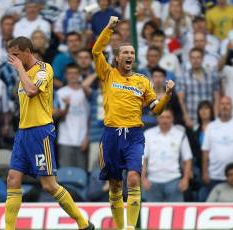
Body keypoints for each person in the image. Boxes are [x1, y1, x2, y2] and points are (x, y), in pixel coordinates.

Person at [92, 16, 175, 230]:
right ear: (117, 58)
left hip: (134, 135)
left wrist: (166, 96)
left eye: (132, 53)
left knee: (133, 179)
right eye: (125, 53)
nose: (130, 55)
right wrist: (109, 28)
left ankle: (130, 227)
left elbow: (156, 110)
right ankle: (120, 227)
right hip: (111, 134)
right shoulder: (108, 74)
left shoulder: (142, 81)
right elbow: (95, 51)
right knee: (115, 184)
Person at [5, 36, 93, 230]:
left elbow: (31, 91)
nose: (13, 59)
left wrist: (19, 68)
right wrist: (21, 70)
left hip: (40, 132)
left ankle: (83, 222)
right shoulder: (24, 74)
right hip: (23, 133)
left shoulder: (44, 69)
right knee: (12, 179)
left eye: (16, 55)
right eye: (11, 56)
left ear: (27, 52)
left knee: (49, 185)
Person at [200, 96, 233, 201]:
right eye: (222, 104)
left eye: (227, 104)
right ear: (218, 107)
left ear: (231, 106)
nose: (225, 106)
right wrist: (204, 172)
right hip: (215, 176)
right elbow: (205, 152)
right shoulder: (211, 126)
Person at [142, 108, 193, 202]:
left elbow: (188, 159)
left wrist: (185, 179)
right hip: (152, 182)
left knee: (176, 214)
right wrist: (143, 178)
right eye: (162, 117)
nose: (164, 120)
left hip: (174, 181)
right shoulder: (148, 134)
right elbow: (143, 159)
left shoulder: (180, 135)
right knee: (153, 215)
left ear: (172, 119)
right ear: (157, 118)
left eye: (168, 117)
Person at [56, 63, 90, 169]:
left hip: (83, 140)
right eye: (69, 73)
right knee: (65, 174)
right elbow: (58, 117)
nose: (72, 76)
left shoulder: (86, 92)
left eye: (75, 73)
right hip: (65, 140)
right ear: (65, 75)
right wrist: (66, 106)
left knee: (81, 175)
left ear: (79, 75)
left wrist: (87, 138)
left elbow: (90, 118)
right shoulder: (60, 93)